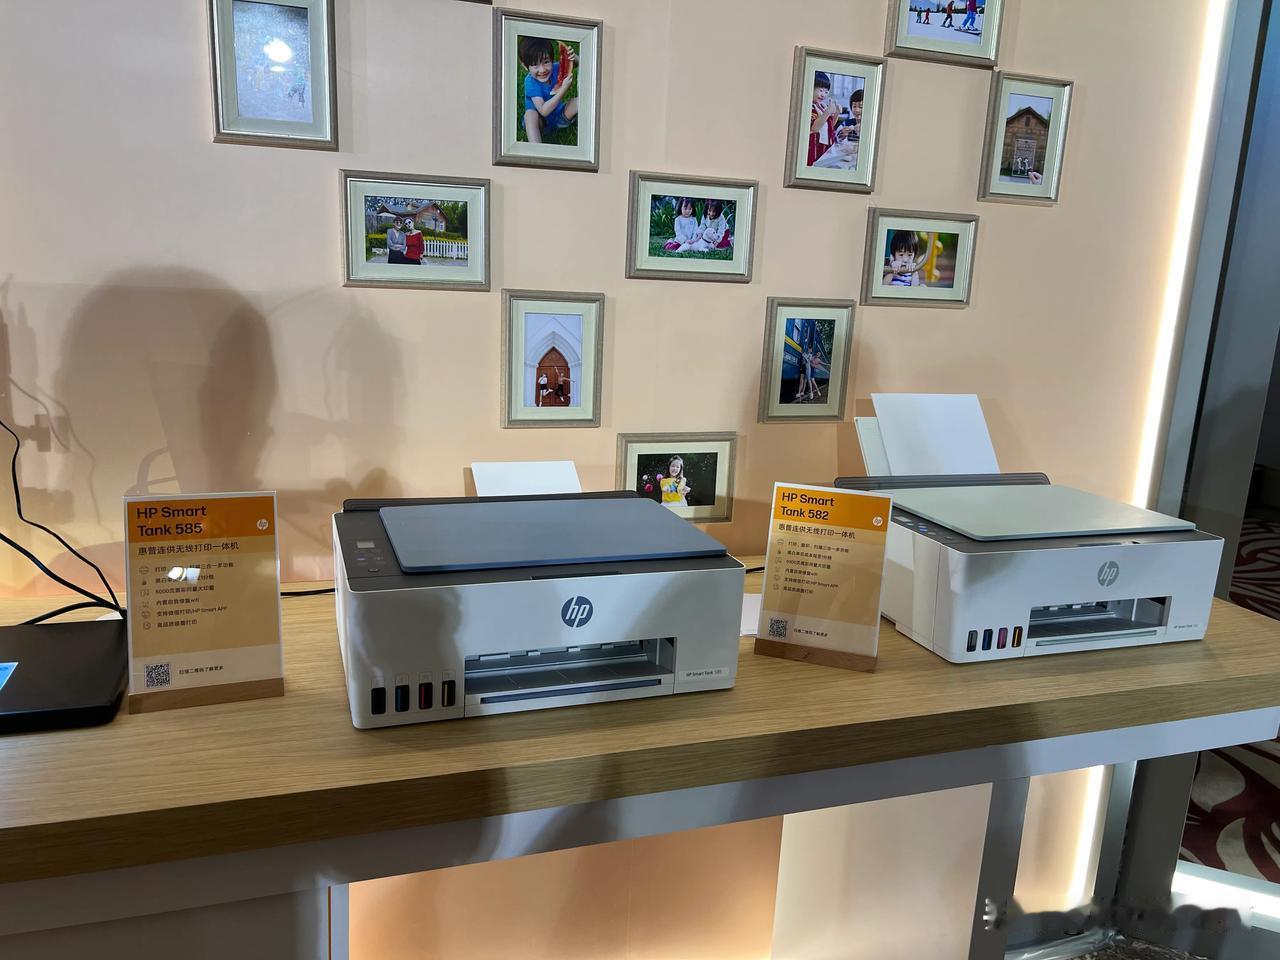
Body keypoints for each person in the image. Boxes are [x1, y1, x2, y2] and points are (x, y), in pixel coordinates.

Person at [519, 36, 578, 144]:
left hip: (559, 116)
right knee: (530, 114)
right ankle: (536, 148)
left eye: (546, 62)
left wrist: (573, 57)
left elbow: (578, 63)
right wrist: (563, 89)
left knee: (580, 101)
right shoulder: (530, 82)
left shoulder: (555, 68)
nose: (542, 70)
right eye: (535, 65)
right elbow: (543, 111)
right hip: (541, 123)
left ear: (552, 59)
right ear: (525, 66)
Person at [807, 72, 841, 166]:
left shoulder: (822, 106)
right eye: (821, 90)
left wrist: (837, 113)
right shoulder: (809, 106)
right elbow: (814, 128)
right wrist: (828, 112)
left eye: (826, 92)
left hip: (824, 145)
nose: (823, 95)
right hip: (814, 146)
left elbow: (831, 125)